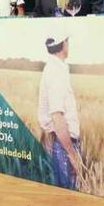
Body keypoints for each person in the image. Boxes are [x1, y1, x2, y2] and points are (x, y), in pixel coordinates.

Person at [38, 33, 82, 189]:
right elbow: (57, 117)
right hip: (64, 143)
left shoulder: (55, 68)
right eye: (67, 41)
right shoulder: (55, 72)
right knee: (68, 193)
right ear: (63, 44)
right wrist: (71, 154)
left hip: (61, 141)